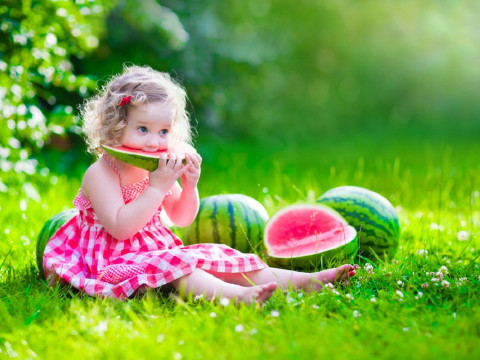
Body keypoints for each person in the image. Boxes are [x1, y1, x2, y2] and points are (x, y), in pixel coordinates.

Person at [43, 65, 355, 305]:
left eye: (163, 131)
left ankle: (307, 281)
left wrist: (189, 186)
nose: (154, 142)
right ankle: (236, 299)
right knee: (182, 270)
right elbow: (120, 228)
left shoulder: (158, 167)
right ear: (115, 126)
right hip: (111, 264)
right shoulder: (101, 173)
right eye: (142, 129)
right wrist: (155, 188)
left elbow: (181, 218)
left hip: (157, 254)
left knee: (218, 255)